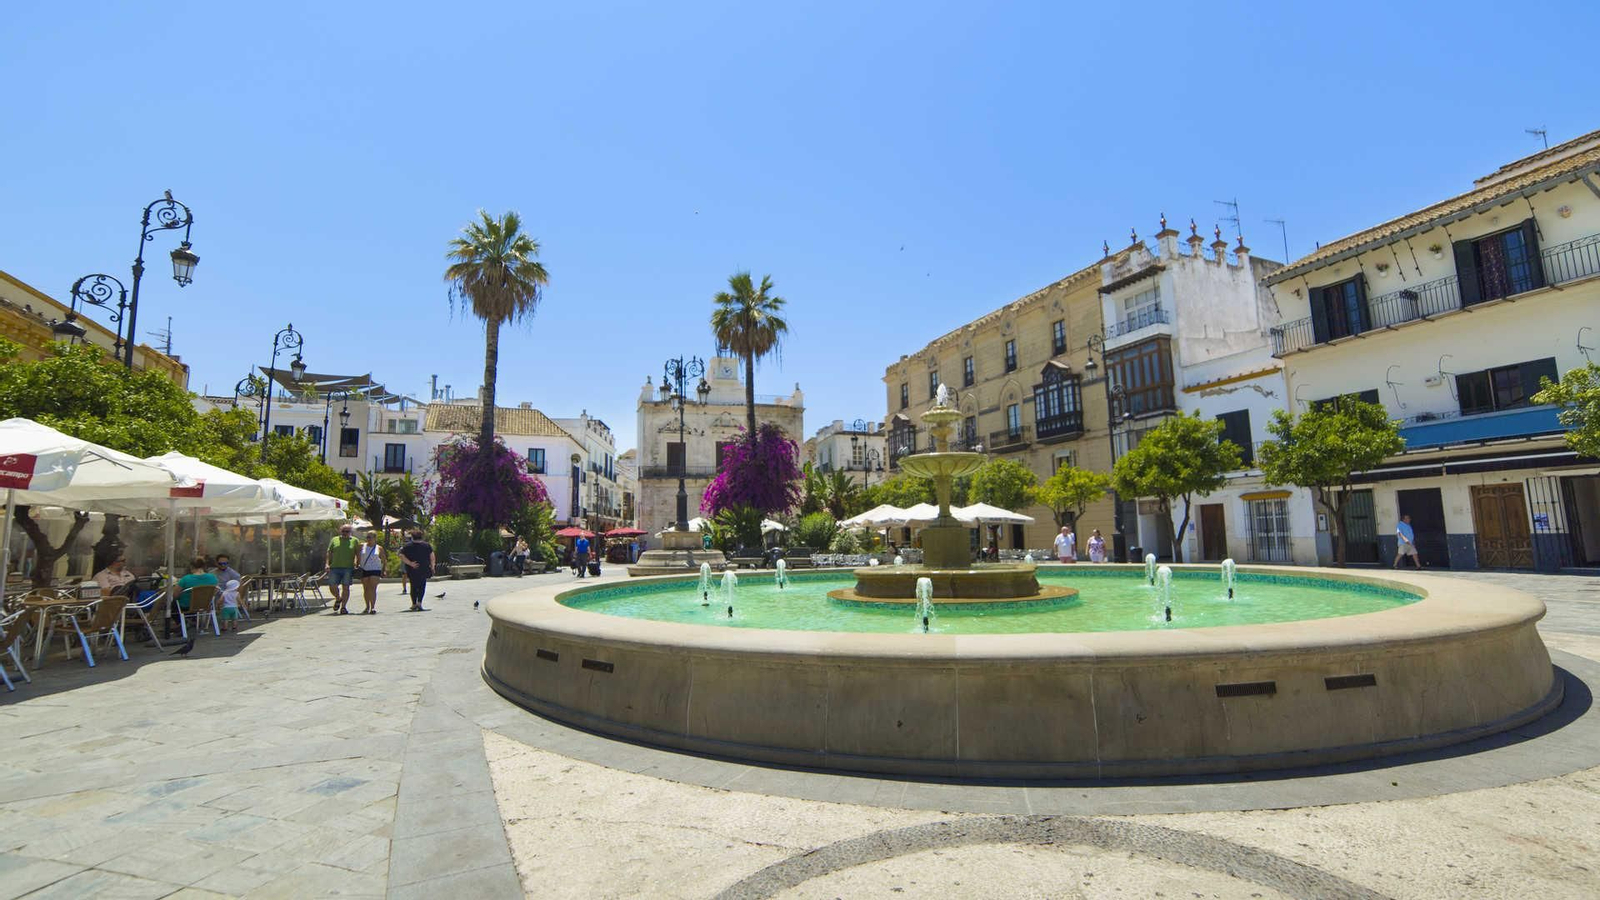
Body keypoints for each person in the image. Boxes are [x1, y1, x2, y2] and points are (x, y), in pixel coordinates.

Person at [168, 557, 218, 639]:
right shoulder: (213, 578)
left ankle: (182, 623)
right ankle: (189, 622)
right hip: (205, 605)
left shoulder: (186, 579)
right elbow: (215, 591)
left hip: (186, 606)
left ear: (191, 567)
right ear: (204, 566)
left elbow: (175, 595)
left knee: (171, 605)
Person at [325, 524, 358, 614]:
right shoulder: (334, 539)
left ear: (350, 532)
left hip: (348, 568)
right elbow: (329, 552)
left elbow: (357, 553)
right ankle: (338, 598)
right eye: (343, 531)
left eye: (347, 531)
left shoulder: (354, 541)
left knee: (346, 587)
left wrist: (356, 563)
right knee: (332, 586)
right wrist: (327, 564)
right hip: (335, 567)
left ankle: (343, 607)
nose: (344, 533)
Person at [399, 529, 436, 611]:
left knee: (413, 586)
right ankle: (419, 602)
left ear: (412, 537)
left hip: (412, 568)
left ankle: (414, 603)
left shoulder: (407, 546)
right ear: (421, 536)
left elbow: (401, 555)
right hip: (424, 568)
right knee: (422, 585)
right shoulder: (427, 545)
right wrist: (432, 566)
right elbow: (432, 556)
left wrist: (410, 563)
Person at [356, 531, 385, 613]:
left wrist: (384, 570)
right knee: (366, 588)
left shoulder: (379, 548)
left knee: (373, 588)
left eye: (370, 537)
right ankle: (367, 606)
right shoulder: (362, 546)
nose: (368, 539)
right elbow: (357, 556)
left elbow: (383, 560)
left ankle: (373, 607)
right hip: (364, 569)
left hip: (375, 569)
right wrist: (356, 565)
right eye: (367, 537)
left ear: (375, 538)